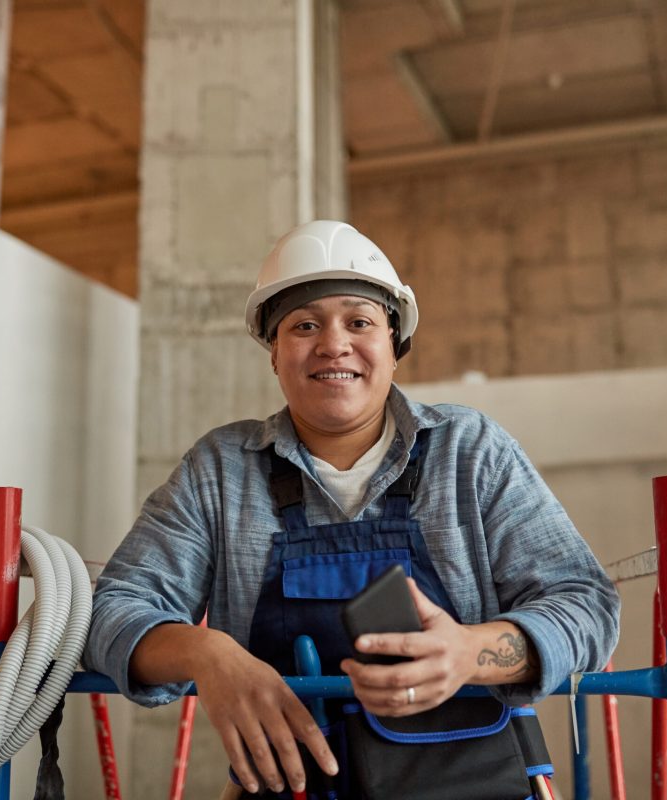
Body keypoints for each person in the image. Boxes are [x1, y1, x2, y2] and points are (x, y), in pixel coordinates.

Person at [84, 220, 620, 799]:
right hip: (289, 788)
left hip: (475, 785)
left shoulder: (472, 452)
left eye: (359, 322)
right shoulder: (221, 470)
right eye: (304, 325)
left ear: (395, 344)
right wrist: (207, 653)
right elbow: (113, 611)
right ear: (274, 354)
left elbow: (585, 604)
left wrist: (470, 654)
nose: (333, 344)